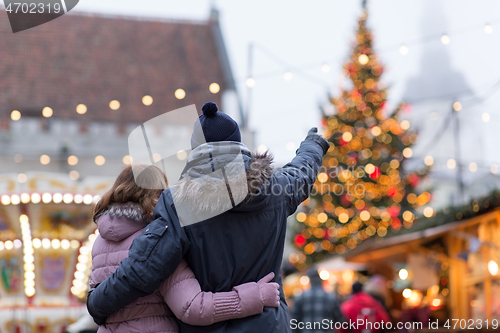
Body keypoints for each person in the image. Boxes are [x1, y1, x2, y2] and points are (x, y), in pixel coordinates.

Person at [87, 102, 330, 333]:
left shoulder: (178, 202)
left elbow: (144, 269)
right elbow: (302, 171)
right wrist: (314, 144)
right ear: (238, 142)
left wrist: (98, 303)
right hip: (268, 324)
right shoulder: (277, 189)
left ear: (196, 149)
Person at [89, 165, 280, 332]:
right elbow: (193, 307)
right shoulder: (156, 241)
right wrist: (257, 296)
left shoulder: (100, 240)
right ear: (158, 193)